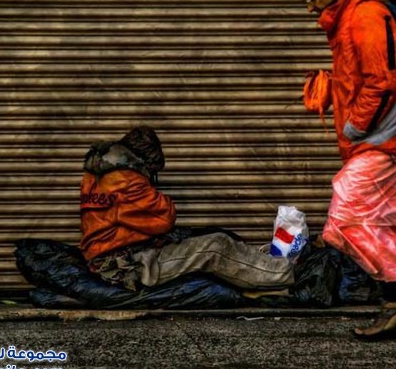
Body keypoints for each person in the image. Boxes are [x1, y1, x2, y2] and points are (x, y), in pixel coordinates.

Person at [300, 0, 396, 339]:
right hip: (381, 138)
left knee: (345, 218)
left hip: (389, 138)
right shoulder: (348, 19)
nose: (310, 9)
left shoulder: (366, 16)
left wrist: (354, 125)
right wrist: (331, 88)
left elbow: (383, 81)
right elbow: (361, 77)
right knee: (380, 223)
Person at [79, 126, 294, 295]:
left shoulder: (94, 176)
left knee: (210, 239)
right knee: (215, 247)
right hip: (129, 267)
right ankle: (286, 274)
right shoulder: (128, 180)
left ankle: (270, 265)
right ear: (144, 162)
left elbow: (128, 220)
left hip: (111, 259)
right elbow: (165, 218)